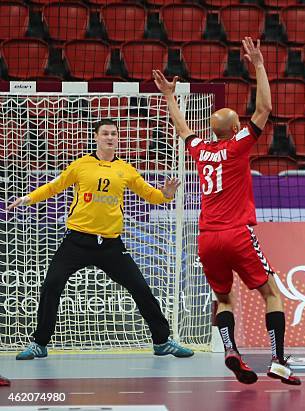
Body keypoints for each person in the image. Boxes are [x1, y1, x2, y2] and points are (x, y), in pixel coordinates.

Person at [153, 37, 300, 385]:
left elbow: (182, 127)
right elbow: (263, 109)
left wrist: (169, 96)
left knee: (224, 299)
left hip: (206, 239)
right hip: (237, 233)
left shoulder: (201, 149)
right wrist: (260, 64)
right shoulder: (238, 145)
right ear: (235, 129)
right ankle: (278, 361)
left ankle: (231, 350)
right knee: (272, 294)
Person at [8, 119, 194, 360]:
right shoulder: (81, 165)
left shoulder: (126, 169)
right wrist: (27, 199)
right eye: (105, 133)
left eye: (114, 134)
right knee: (51, 285)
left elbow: (151, 194)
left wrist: (167, 195)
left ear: (118, 138)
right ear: (95, 137)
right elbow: (54, 187)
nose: (110, 137)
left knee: (141, 289)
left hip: (110, 245)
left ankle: (161, 341)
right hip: (76, 241)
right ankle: (39, 343)